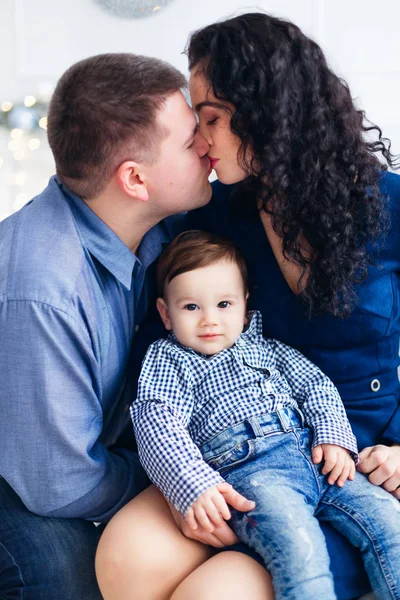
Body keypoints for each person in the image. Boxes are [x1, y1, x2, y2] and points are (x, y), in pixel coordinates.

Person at [96, 11, 400, 600]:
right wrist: (188, 478)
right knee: (127, 560)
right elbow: (157, 355)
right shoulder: (216, 216)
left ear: (270, 114)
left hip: (353, 463)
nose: (200, 139)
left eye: (212, 117)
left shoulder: (386, 206)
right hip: (237, 458)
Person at [0, 52, 212, 599]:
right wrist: (182, 474)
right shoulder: (43, 290)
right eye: (191, 140)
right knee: (66, 571)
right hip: (22, 474)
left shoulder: (160, 227)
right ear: (135, 179)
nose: (208, 149)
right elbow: (58, 486)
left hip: (74, 450)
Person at [131, 229, 400, 600]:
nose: (209, 320)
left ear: (244, 307)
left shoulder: (268, 349)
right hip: (252, 472)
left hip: (316, 456)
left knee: (390, 524)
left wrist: (333, 435)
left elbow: (316, 387)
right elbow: (157, 424)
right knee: (299, 550)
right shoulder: (171, 360)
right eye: (191, 307)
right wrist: (194, 484)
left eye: (223, 305)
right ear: (165, 313)